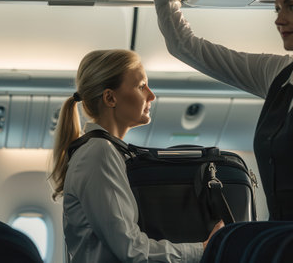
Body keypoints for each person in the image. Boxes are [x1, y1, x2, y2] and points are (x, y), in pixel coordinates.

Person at [148, 0, 293, 223]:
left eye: (292, 6)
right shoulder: (279, 75)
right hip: (286, 244)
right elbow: (183, 45)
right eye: (277, 8)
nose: (280, 20)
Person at [50, 49, 222, 263]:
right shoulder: (99, 153)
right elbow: (131, 249)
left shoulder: (108, 151)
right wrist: (204, 249)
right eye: (141, 86)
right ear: (110, 98)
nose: (151, 95)